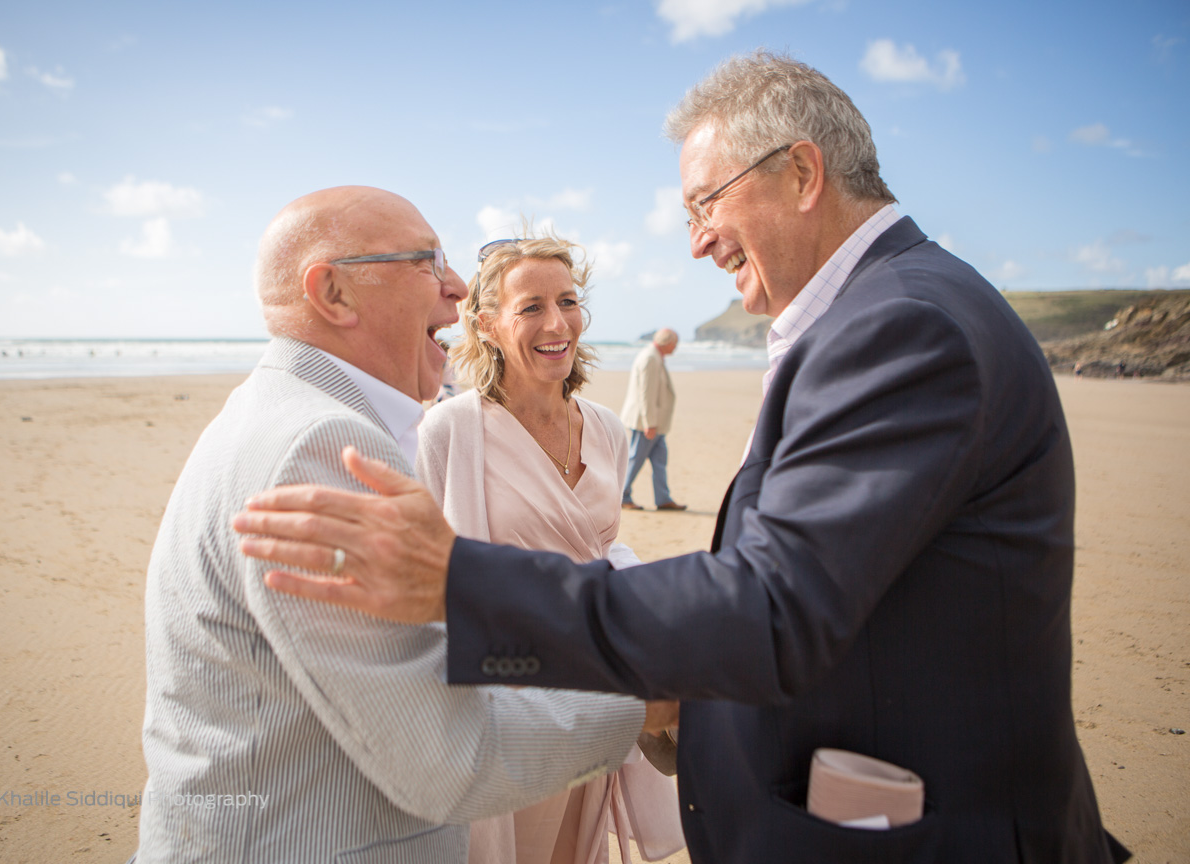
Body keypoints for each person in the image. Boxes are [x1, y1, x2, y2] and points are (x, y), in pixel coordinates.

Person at [233, 53, 1130, 863]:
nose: (697, 238)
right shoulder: (888, 312)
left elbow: (774, 605)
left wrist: (460, 581)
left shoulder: (903, 325)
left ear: (803, 171)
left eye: (707, 203)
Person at [132, 187, 668, 864]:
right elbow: (446, 752)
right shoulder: (320, 445)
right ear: (334, 294)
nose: (455, 288)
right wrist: (649, 703)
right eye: (427, 262)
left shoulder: (279, 414)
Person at [417, 234, 684, 864]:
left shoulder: (609, 431)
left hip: (595, 694)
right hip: (503, 710)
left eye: (567, 301)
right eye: (530, 306)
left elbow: (607, 552)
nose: (556, 322)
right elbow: (427, 576)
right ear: (486, 324)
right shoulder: (449, 430)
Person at [619, 328, 684, 511]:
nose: (676, 347)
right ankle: (622, 497)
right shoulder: (650, 358)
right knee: (635, 459)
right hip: (646, 422)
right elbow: (646, 394)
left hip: (656, 423)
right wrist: (650, 423)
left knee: (659, 461)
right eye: (675, 343)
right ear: (667, 342)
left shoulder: (655, 356)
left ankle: (663, 499)